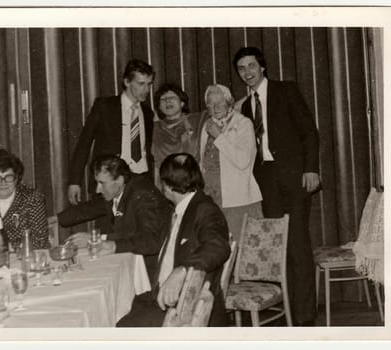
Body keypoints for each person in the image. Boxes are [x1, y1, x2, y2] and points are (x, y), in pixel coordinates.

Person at [233, 46, 321, 326]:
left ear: (262, 67)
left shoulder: (286, 90)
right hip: (266, 181)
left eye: (251, 66)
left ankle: (305, 319)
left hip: (295, 177)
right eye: (241, 68)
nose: (247, 72)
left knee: (296, 243)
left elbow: (309, 131)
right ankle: (290, 314)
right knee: (279, 247)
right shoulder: (245, 107)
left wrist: (311, 168)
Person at [117, 153, 230, 327]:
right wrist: (114, 244)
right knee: (121, 307)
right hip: (164, 298)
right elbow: (152, 241)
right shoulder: (178, 210)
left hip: (185, 308)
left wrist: (181, 270)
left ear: (167, 186)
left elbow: (218, 246)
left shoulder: (205, 210)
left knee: (120, 327)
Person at [58, 154, 172, 280]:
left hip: (150, 273)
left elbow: (151, 241)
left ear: (119, 180)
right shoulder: (118, 188)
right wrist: (56, 219)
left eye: (102, 183)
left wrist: (97, 240)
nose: (98, 189)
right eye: (97, 182)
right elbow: (91, 208)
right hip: (131, 262)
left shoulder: (142, 195)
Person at [67, 59, 155, 205]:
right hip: (109, 180)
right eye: (141, 84)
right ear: (127, 82)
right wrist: (75, 182)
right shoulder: (105, 107)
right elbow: (84, 144)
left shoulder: (147, 113)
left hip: (140, 181)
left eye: (149, 84)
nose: (146, 89)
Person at [200, 84, 263, 242]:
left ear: (230, 102)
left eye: (220, 103)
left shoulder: (243, 123)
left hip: (238, 200)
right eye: (210, 104)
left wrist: (219, 136)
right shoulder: (206, 126)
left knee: (243, 249)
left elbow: (243, 162)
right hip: (213, 199)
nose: (215, 108)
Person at [151, 83, 206, 177]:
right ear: (159, 107)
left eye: (172, 97)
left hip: (192, 179)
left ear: (182, 103)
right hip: (165, 181)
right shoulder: (154, 128)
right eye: (163, 99)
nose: (167, 101)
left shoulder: (198, 120)